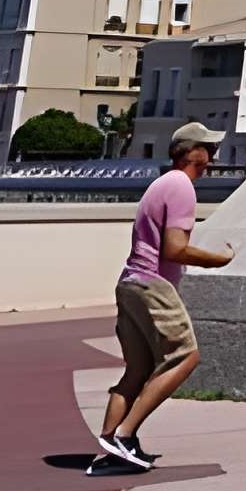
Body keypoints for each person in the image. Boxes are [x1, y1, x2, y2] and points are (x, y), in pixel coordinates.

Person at [93, 121, 231, 473]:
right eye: (209, 151)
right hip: (153, 285)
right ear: (193, 153)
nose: (212, 159)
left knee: (137, 370)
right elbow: (175, 248)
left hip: (130, 281)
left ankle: (110, 451)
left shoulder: (160, 184)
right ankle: (124, 435)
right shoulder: (182, 186)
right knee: (186, 356)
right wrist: (219, 260)